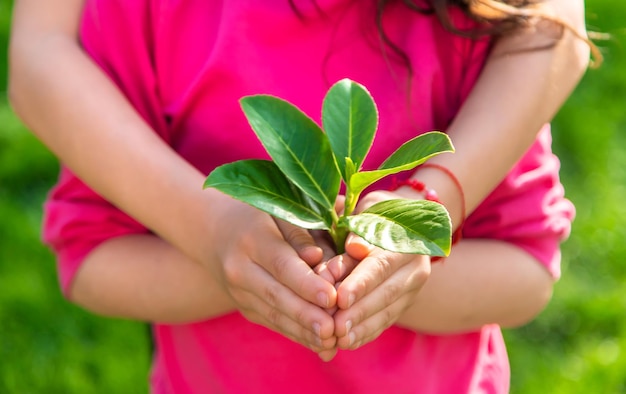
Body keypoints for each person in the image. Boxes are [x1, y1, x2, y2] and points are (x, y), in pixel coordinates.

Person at [8, 0, 594, 392]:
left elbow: (526, 272)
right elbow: (91, 259)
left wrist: (395, 254)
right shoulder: (146, 18)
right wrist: (225, 246)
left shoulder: (472, 23)